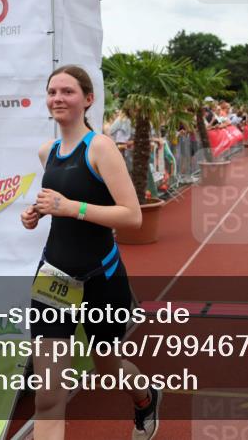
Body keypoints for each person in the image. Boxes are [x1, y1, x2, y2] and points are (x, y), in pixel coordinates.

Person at [20, 65, 161, 440]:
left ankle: (145, 398)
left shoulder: (100, 147)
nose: (57, 98)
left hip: (102, 278)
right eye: (52, 91)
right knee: (48, 397)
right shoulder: (47, 152)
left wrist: (71, 208)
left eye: (67, 91)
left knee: (108, 367)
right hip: (54, 278)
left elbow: (132, 216)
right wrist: (37, 213)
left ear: (88, 99)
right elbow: (61, 203)